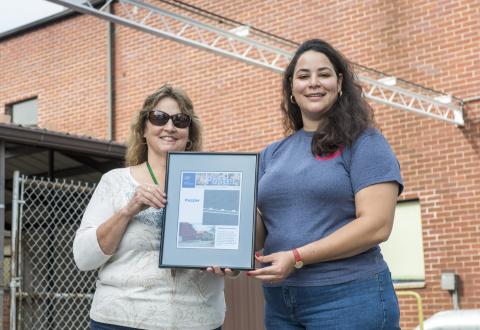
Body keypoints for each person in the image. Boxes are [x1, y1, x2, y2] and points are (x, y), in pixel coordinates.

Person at [247, 39, 403, 329]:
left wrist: (296, 257)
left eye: (324, 74)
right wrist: (227, 252)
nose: (314, 83)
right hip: (281, 304)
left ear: (340, 83)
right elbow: (262, 227)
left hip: (349, 299)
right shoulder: (271, 155)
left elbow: (376, 225)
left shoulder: (365, 143)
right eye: (304, 76)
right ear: (291, 88)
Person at [73, 84, 236, 330]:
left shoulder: (215, 182)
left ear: (190, 133)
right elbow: (84, 258)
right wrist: (128, 210)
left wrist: (230, 264)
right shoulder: (115, 181)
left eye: (180, 120)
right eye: (159, 117)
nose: (170, 127)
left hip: (198, 321)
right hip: (121, 321)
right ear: (143, 129)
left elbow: (232, 256)